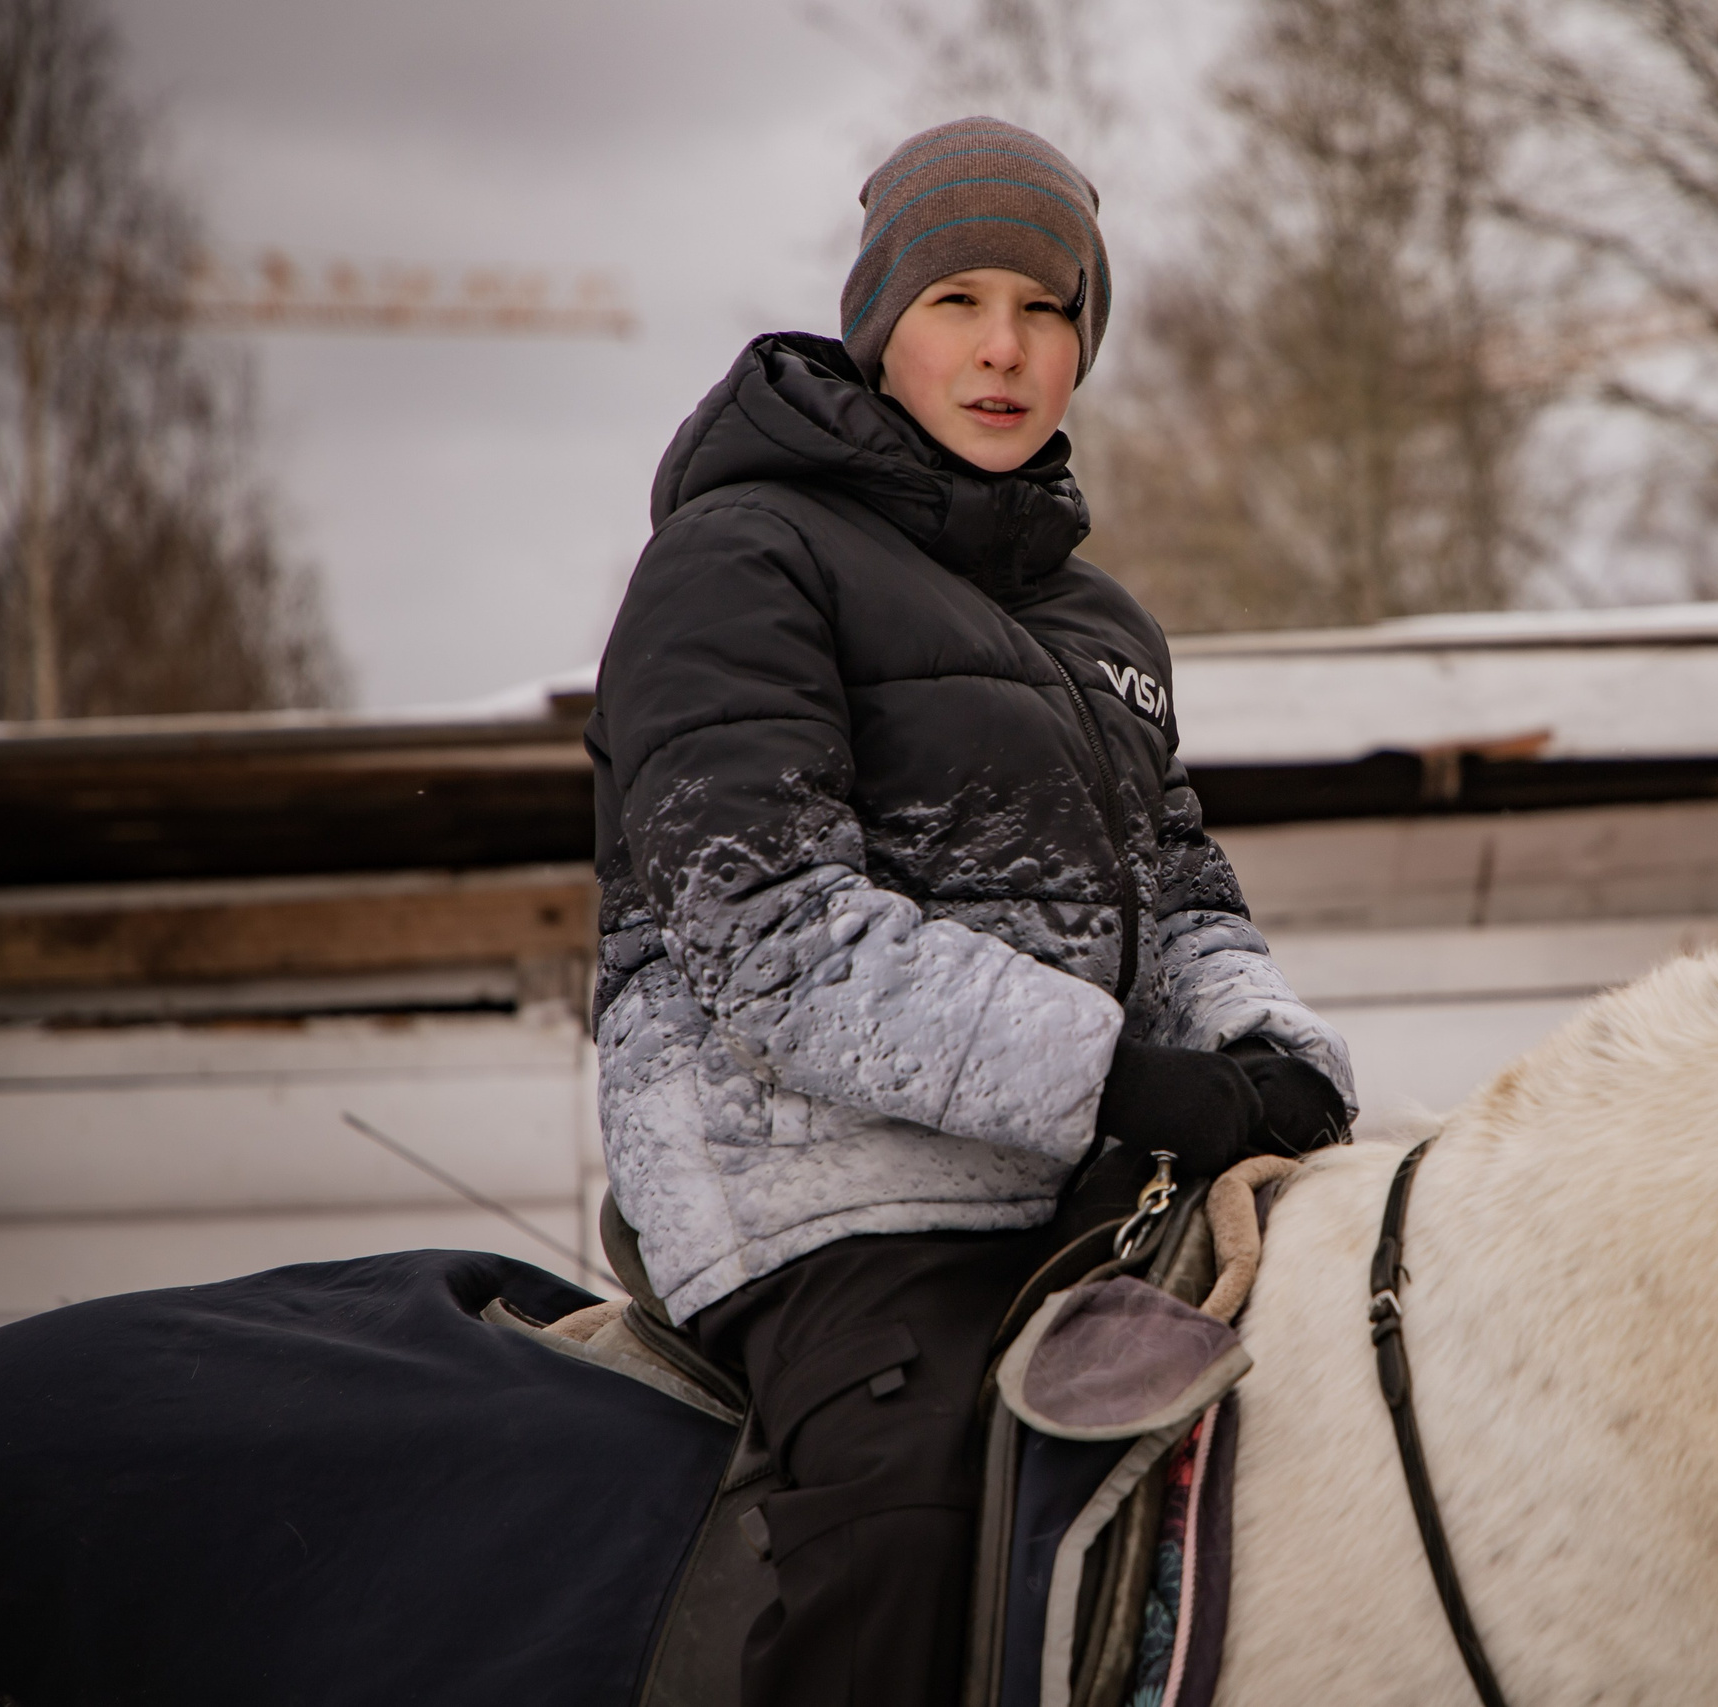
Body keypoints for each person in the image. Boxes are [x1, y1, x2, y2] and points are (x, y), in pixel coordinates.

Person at [583, 117, 1355, 1707]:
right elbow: (771, 934)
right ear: (880, 323)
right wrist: (1123, 1083)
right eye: (958, 301)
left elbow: (1184, 889)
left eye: (1048, 308)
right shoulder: (742, 559)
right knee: (919, 1527)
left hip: (1082, 1180)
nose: (1005, 350)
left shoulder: (1100, 620)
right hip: (831, 1199)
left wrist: (1277, 1059)